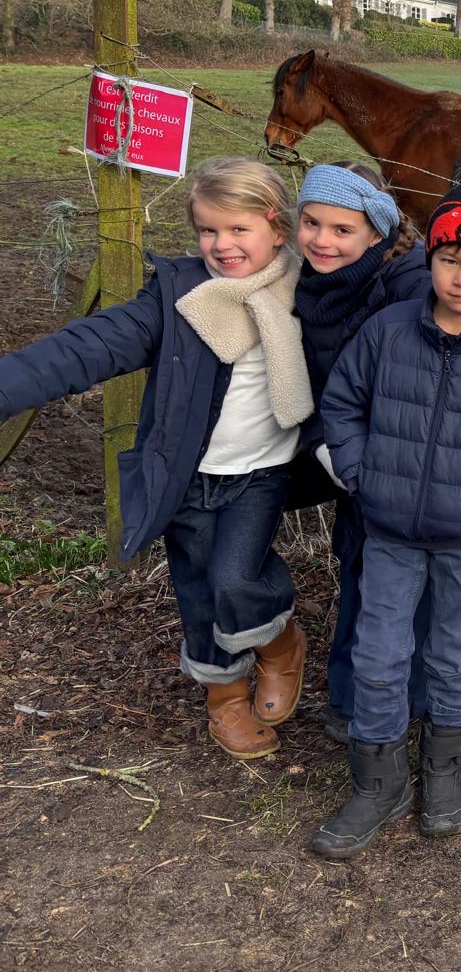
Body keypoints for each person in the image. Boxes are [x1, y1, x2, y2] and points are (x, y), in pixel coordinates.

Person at [0, 157, 312, 759]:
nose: (222, 244)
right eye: (208, 230)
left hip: (260, 476)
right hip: (184, 476)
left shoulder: (308, 295)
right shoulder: (178, 297)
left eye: (238, 228)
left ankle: (279, 643)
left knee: (235, 578)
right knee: (197, 589)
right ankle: (224, 694)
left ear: (278, 228)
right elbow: (89, 346)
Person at [309, 182, 461, 859]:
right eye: (450, 260)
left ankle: (443, 770)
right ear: (430, 259)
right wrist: (360, 473)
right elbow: (342, 404)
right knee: (378, 657)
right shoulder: (387, 332)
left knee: (452, 653)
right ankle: (378, 782)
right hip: (388, 534)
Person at [290, 162, 432, 743]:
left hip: (408, 462)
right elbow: (309, 380)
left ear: (376, 231)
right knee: (358, 570)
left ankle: (410, 699)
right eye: (311, 223)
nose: (322, 240)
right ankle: (351, 698)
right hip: (350, 461)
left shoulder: (411, 286)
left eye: (341, 229)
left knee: (405, 582)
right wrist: (328, 447)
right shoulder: (307, 282)